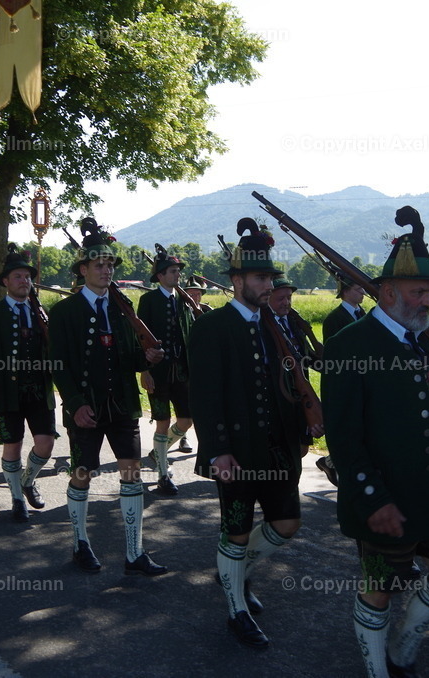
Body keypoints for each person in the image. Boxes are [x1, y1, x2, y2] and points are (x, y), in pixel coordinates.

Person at [323, 208, 429, 677]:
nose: (427, 301)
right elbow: (345, 436)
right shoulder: (351, 345)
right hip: (384, 496)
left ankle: (401, 651)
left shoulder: (426, 341)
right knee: (380, 588)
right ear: (388, 292)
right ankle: (377, 670)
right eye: (418, 292)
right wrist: (372, 498)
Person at [188, 218, 321, 649]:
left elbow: (290, 383)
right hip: (237, 451)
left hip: (279, 448)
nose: (268, 285)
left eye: (270, 277)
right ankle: (236, 608)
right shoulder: (212, 327)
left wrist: (304, 426)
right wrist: (217, 450)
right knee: (237, 529)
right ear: (237, 280)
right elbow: (205, 396)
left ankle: (236, 571)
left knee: (287, 525)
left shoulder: (275, 323)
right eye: (261, 277)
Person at [48, 218, 167, 576]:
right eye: (98, 264)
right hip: (85, 407)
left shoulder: (122, 308)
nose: (105, 269)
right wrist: (74, 403)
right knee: (82, 472)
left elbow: (127, 357)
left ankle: (134, 552)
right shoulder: (64, 312)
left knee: (132, 474)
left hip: (123, 404)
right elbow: (59, 364)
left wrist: (146, 358)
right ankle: (79, 543)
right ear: (83, 269)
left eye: (110, 264)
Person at [0, 245, 57, 523]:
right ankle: (17, 499)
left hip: (39, 389)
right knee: (12, 446)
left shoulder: (41, 313)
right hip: (6, 391)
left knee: (45, 444)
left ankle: (28, 479)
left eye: (27, 277)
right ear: (6, 282)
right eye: (18, 277)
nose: (25, 281)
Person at [136, 245, 194, 496]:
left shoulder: (182, 300)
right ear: (160, 276)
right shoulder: (148, 300)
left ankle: (158, 452)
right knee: (162, 422)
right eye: (172, 271)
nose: (177, 275)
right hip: (157, 372)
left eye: (178, 271)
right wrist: (144, 370)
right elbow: (139, 337)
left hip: (181, 371)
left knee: (186, 420)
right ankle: (162, 473)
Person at [316, 275, 366, 486]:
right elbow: (336, 357)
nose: (362, 292)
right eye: (357, 288)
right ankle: (333, 462)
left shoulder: (362, 314)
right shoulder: (334, 319)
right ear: (345, 291)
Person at [268, 275, 321, 459]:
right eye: (280, 298)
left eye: (289, 297)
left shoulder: (294, 321)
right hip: (281, 396)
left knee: (302, 447)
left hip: (301, 393)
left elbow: (306, 355)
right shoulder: (264, 324)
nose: (286, 302)